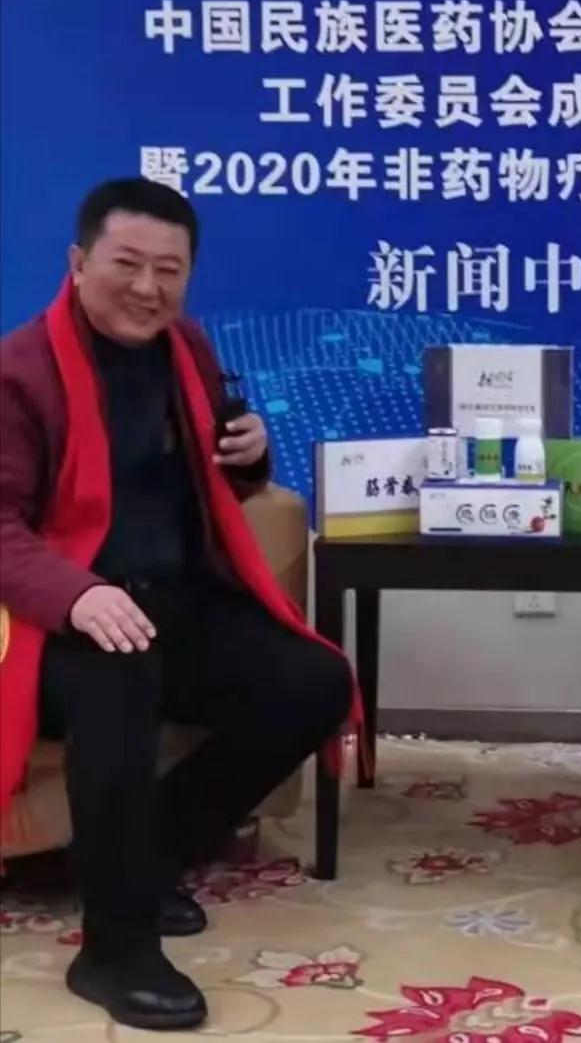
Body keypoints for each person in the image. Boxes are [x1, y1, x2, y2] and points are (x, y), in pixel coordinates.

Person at [0, 179, 356, 1031]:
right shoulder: (20, 371)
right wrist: (78, 594)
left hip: (171, 599)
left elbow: (212, 477)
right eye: (126, 264)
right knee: (118, 673)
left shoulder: (185, 348)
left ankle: (140, 857)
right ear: (78, 263)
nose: (147, 288)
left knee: (313, 681)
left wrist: (250, 454)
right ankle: (115, 946)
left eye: (169, 270)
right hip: (56, 622)